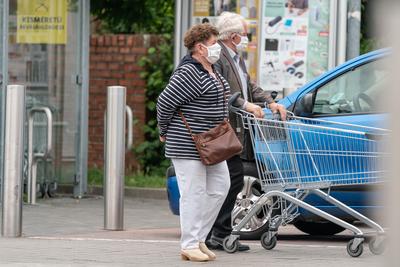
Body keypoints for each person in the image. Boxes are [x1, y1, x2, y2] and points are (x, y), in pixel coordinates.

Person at [206, 12, 287, 252]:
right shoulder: (219, 56)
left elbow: (248, 86)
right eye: (243, 33)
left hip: (237, 130)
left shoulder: (236, 58)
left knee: (231, 179)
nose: (245, 37)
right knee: (231, 179)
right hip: (223, 129)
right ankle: (217, 234)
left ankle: (217, 233)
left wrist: (269, 102)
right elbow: (220, 89)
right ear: (233, 36)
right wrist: (245, 104)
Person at [156, 24, 231, 262]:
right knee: (193, 193)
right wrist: (163, 130)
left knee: (221, 187)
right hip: (187, 142)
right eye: (213, 43)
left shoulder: (211, 67)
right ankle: (188, 244)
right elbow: (164, 103)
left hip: (212, 141)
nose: (217, 47)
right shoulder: (188, 72)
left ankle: (198, 237)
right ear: (200, 47)